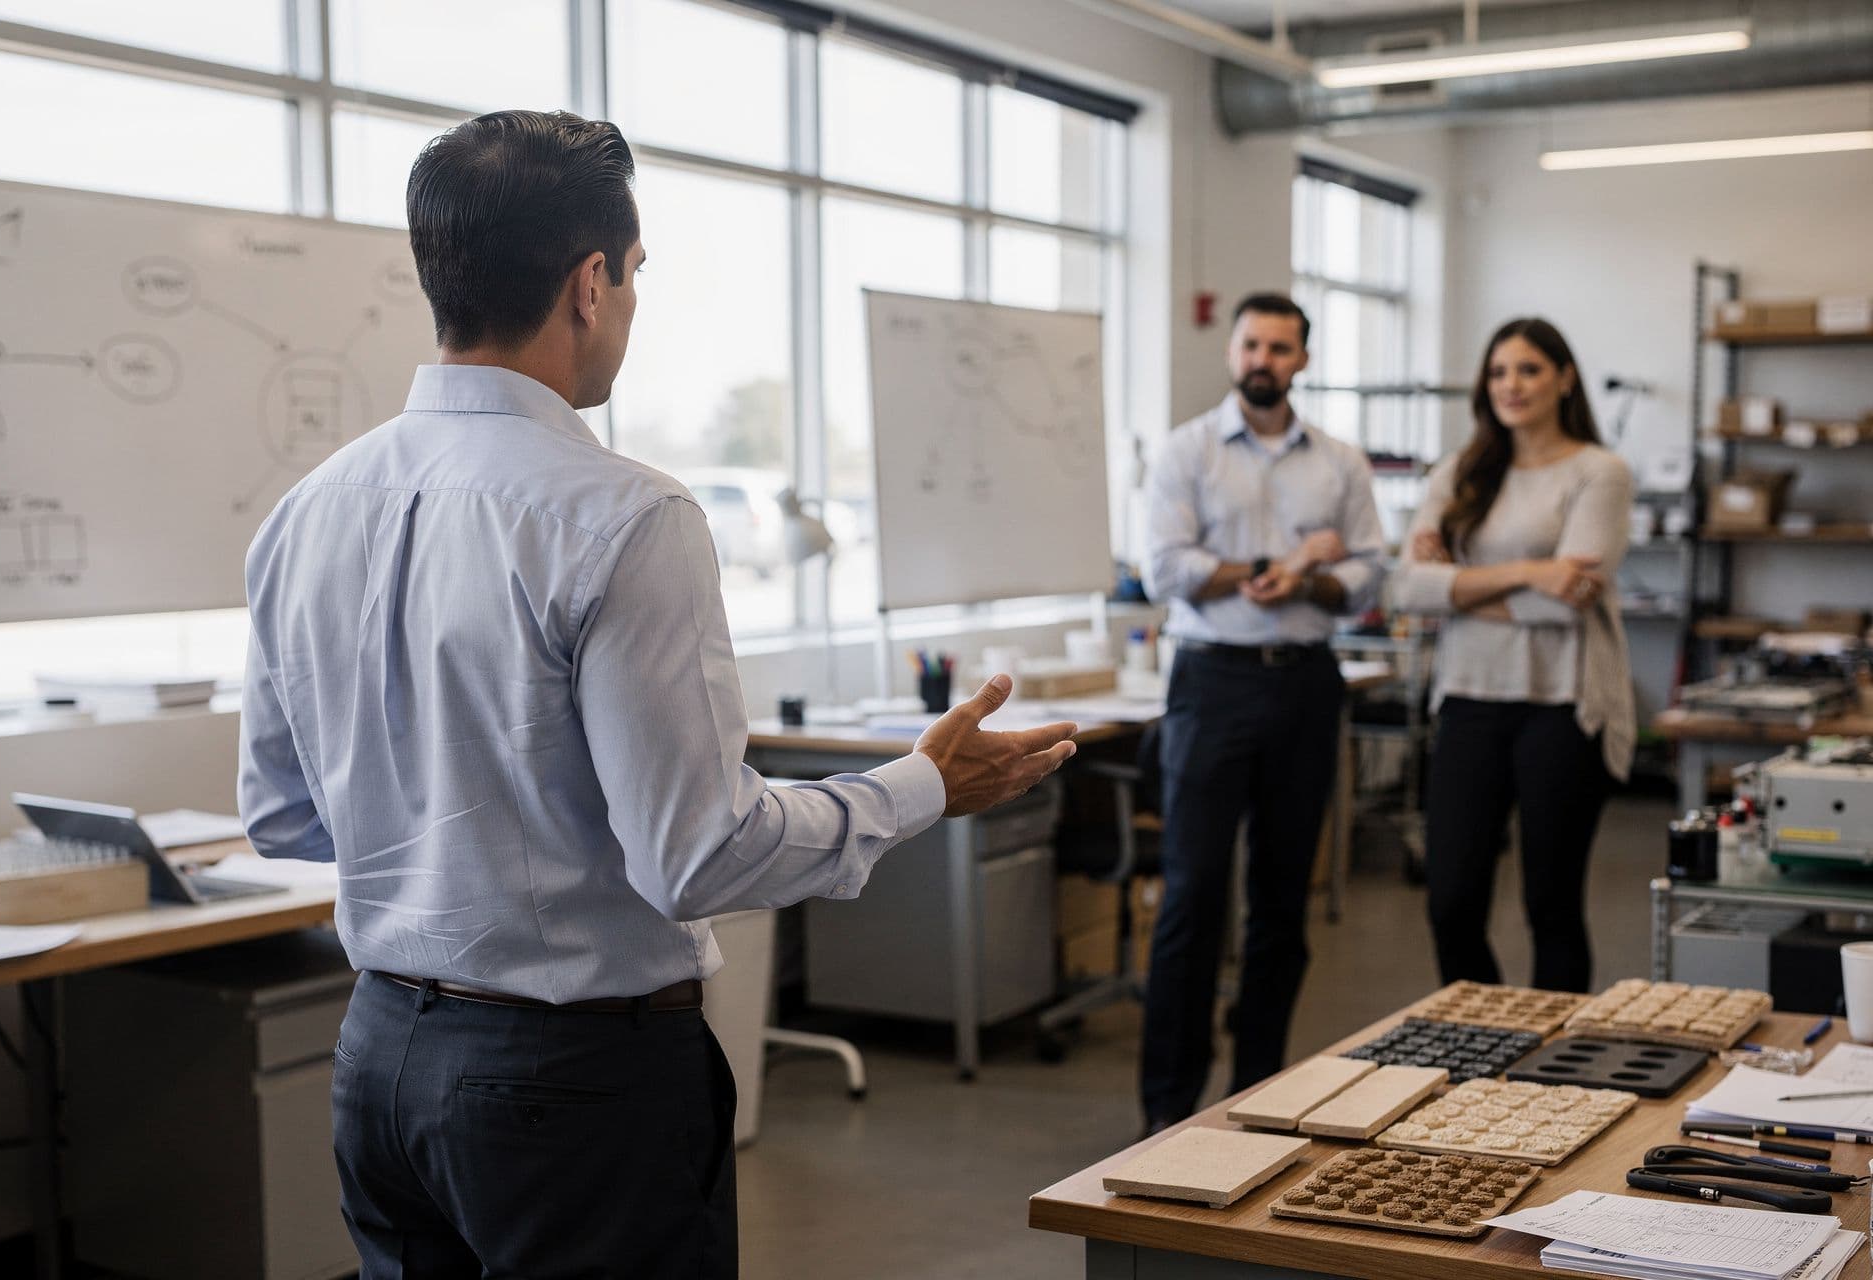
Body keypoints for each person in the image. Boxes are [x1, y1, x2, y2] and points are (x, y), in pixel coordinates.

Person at [236, 110, 1077, 1280]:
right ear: (591, 281)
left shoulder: (307, 509)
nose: (629, 303)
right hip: (568, 1087)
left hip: (379, 1059)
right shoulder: (623, 515)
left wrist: (452, 835)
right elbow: (696, 856)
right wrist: (918, 787)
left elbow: (282, 816)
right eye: (633, 275)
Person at [1139, 292, 1386, 1133]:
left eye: (1281, 348)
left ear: (1303, 361)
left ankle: (1258, 1096)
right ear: (1233, 352)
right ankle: (1166, 1109)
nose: (1264, 360)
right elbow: (1166, 569)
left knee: (1283, 903)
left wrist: (1313, 579)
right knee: (1193, 897)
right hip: (1211, 681)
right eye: (1252, 344)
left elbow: (1367, 576)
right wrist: (1265, 566)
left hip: (1306, 684)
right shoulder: (1187, 451)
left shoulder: (1341, 463)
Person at [1387, 316, 1634, 994]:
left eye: (1528, 369)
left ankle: (1556, 1089)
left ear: (1564, 377)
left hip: (1562, 705)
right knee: (1451, 902)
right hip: (1469, 699)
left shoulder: (1598, 473)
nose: (1511, 385)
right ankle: (1483, 1046)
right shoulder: (1462, 472)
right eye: (1498, 371)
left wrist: (1458, 588)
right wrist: (1529, 573)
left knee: (1550, 906)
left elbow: (1568, 604)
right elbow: (1406, 587)